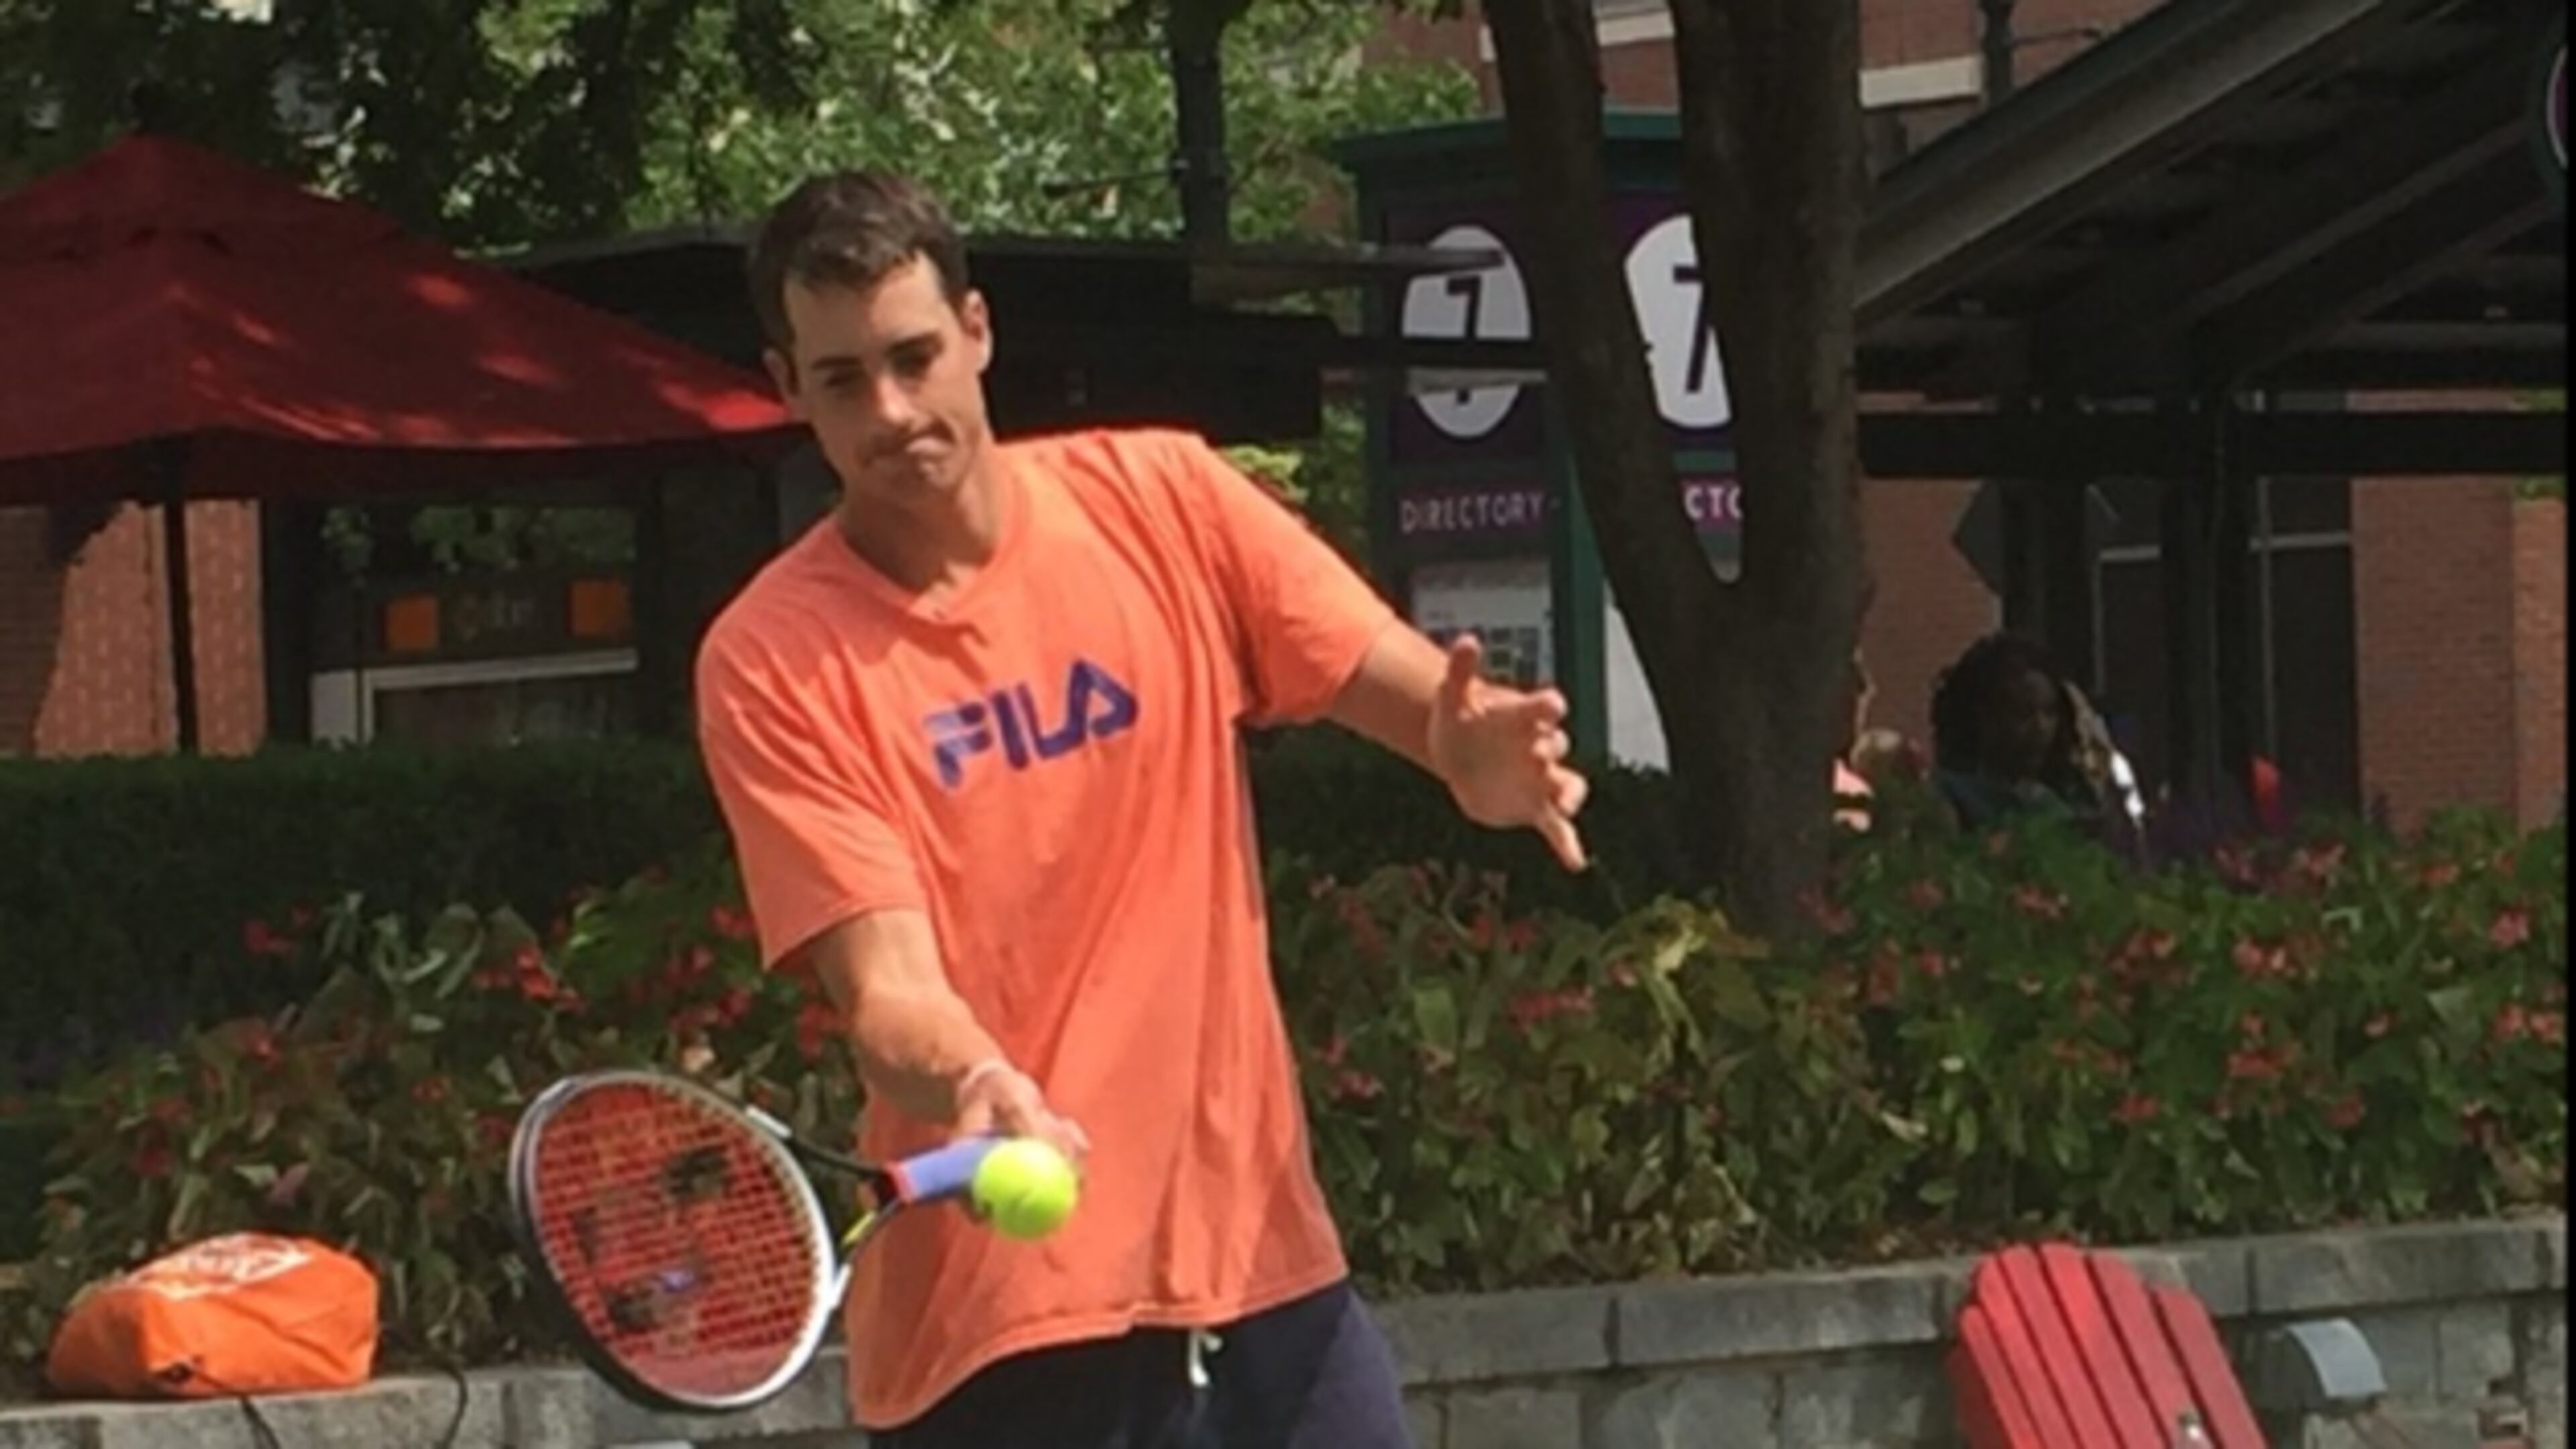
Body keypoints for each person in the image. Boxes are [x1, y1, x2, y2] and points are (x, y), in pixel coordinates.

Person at [690, 170, 1589, 1449]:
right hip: (1005, 1338)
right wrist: (979, 1077)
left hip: (1268, 1282)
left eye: (914, 356)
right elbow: (886, 990)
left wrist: (1469, 758)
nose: (892, 410)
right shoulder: (771, 658)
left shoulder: (1167, 499)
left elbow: (1413, 703)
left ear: (980, 332)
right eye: (843, 380)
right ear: (788, 388)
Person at [1927, 632, 2143, 853]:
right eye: (2022, 714)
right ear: (1983, 716)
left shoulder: (2059, 807)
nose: (2040, 728)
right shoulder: (1946, 797)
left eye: (2049, 713)